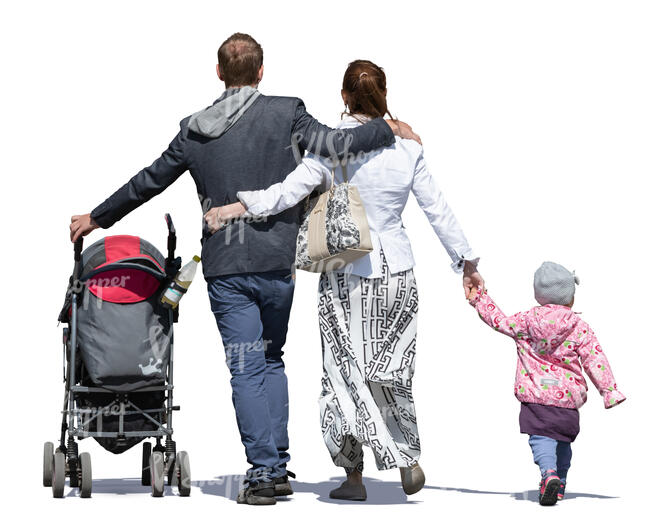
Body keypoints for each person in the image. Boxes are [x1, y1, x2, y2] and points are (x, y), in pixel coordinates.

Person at [69, 34, 421, 506]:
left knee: (245, 366)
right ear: (261, 72)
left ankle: (263, 471)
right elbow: (336, 144)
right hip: (278, 265)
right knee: (271, 359)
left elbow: (149, 180)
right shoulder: (287, 112)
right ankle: (276, 462)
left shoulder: (194, 130)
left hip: (226, 267)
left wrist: (98, 217)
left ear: (219, 73)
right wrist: (388, 128)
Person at [211, 59, 484, 501]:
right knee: (392, 369)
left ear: (343, 97)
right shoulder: (408, 148)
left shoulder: (329, 150)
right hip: (397, 274)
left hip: (345, 275)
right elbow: (438, 210)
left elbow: (286, 193)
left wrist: (235, 207)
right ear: (384, 92)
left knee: (342, 372)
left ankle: (354, 478)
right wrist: (467, 264)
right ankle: (406, 455)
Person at [467, 261, 625, 506]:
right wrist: (609, 391)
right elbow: (596, 358)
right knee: (563, 442)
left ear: (538, 295)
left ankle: (548, 474)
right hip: (567, 402)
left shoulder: (526, 321)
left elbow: (498, 320)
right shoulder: (579, 327)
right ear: (570, 299)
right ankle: (559, 482)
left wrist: (480, 298)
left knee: (541, 438)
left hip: (536, 396)